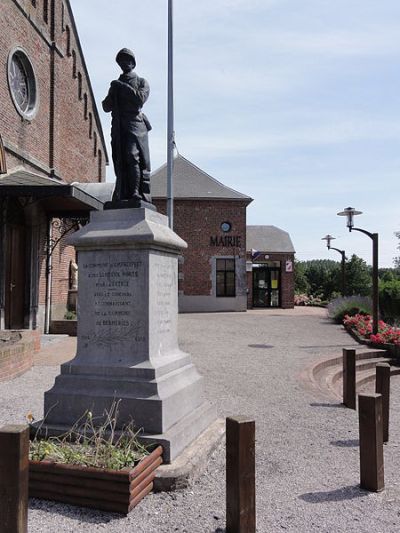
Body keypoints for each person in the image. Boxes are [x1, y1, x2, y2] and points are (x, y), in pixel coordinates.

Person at [102, 48, 152, 205]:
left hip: (135, 126)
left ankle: (135, 192)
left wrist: (122, 87)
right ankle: (121, 192)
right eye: (121, 61)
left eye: (127, 60)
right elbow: (106, 106)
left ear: (133, 62)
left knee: (132, 156)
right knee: (120, 160)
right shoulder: (116, 85)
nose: (124, 63)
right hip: (118, 126)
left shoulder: (141, 82)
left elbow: (139, 99)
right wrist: (112, 94)